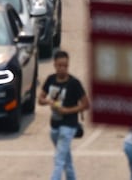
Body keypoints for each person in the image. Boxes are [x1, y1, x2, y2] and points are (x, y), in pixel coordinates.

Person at [38, 50, 90, 180]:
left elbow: (85, 104)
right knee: (66, 160)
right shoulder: (51, 80)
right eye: (60, 65)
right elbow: (40, 99)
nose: (62, 69)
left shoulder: (74, 83)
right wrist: (48, 101)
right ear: (55, 65)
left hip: (69, 125)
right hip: (55, 125)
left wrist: (68, 110)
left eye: (65, 66)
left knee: (59, 159)